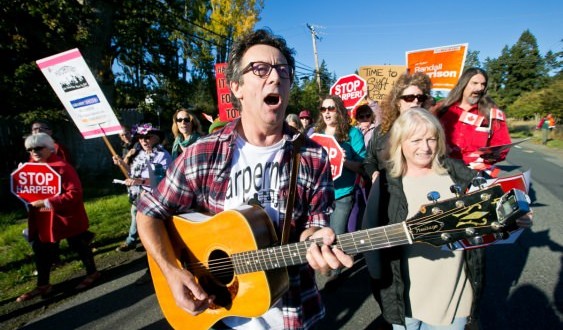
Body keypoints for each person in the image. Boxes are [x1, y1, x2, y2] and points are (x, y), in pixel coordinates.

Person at [136, 28, 353, 329]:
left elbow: (313, 226)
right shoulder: (202, 153)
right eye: (261, 69)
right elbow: (148, 212)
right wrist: (172, 272)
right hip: (217, 313)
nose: (275, 77)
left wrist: (315, 239)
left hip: (292, 312)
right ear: (236, 87)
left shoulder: (314, 156)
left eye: (283, 71)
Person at [368, 108, 533, 330]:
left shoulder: (461, 175)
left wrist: (516, 219)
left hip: (453, 290)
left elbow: (491, 216)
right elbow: (373, 240)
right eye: (416, 140)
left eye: (431, 139)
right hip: (405, 293)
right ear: (399, 142)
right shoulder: (387, 184)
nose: (425, 147)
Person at [16, 133, 100, 302]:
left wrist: (47, 202)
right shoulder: (29, 167)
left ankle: (92, 273)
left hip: (66, 217)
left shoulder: (62, 167)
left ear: (49, 147)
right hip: (43, 219)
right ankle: (43, 284)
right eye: (30, 149)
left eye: (38, 148)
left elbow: (75, 193)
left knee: (78, 244)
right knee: (41, 250)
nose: (34, 152)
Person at [435, 68, 511, 170]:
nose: (479, 88)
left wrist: (488, 159)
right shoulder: (443, 108)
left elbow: (502, 145)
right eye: (474, 83)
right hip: (443, 169)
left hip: (474, 172)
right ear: (463, 84)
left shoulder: (491, 113)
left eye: (483, 84)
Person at [113, 123, 172, 252]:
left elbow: (161, 180)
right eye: (140, 138)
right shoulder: (141, 154)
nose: (143, 141)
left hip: (157, 198)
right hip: (141, 195)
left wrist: (138, 181)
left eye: (147, 137)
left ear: (157, 137)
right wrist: (121, 163)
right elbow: (132, 173)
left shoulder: (162, 155)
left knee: (156, 228)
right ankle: (142, 244)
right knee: (137, 216)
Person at [364, 72, 433, 182]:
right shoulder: (381, 131)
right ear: (397, 102)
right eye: (409, 98)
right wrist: (374, 173)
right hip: (387, 191)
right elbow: (369, 160)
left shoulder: (431, 131)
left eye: (420, 97)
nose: (416, 101)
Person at [314, 95, 366, 237]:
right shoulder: (316, 134)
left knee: (335, 239)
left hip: (342, 195)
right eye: (323, 109)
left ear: (340, 111)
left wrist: (343, 161)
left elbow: (362, 167)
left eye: (331, 108)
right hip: (319, 196)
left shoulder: (353, 133)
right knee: (319, 240)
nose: (327, 112)